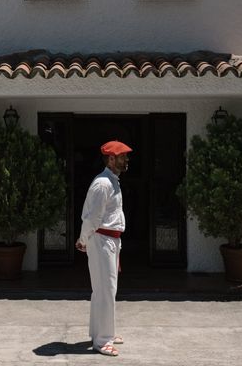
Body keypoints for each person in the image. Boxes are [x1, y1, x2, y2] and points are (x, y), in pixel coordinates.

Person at [75, 140, 132, 357]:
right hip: (101, 241)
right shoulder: (103, 184)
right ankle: (102, 340)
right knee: (105, 290)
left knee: (106, 290)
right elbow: (92, 217)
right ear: (111, 159)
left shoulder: (112, 181)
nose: (126, 160)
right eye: (123, 156)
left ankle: (103, 332)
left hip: (109, 241)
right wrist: (83, 239)